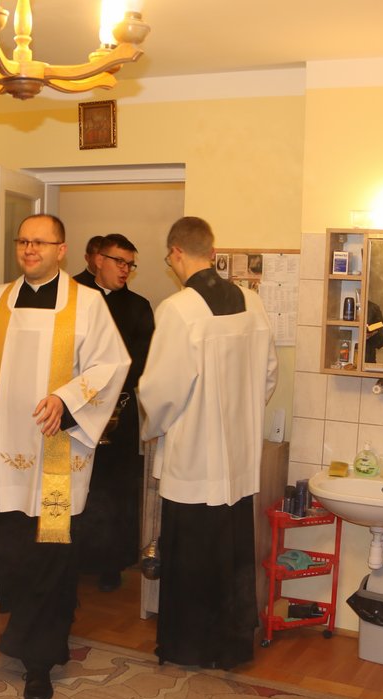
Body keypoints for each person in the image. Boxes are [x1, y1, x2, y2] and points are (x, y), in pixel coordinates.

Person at [0, 214, 130, 699]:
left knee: (51, 556)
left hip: (57, 455)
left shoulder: (87, 304)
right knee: (14, 554)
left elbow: (112, 364)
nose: (30, 249)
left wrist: (65, 400)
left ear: (61, 249)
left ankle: (40, 661)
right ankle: (27, 633)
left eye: (41, 242)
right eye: (23, 241)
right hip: (10, 453)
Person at [138, 216, 278, 670]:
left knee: (192, 557)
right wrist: (242, 415)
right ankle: (232, 647)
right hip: (238, 460)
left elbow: (162, 389)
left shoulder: (178, 309)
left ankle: (189, 647)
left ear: (177, 252)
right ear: (212, 252)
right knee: (232, 557)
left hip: (194, 459)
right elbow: (269, 374)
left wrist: (153, 425)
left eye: (169, 259)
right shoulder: (252, 303)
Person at [72, 233, 155, 592]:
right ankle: (73, 560)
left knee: (117, 489)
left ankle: (111, 564)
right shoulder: (70, 297)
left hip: (120, 409)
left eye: (130, 264)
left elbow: (143, 360)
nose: (125, 270)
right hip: (75, 408)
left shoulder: (138, 306)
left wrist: (107, 388)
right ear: (97, 259)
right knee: (80, 486)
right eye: (119, 261)